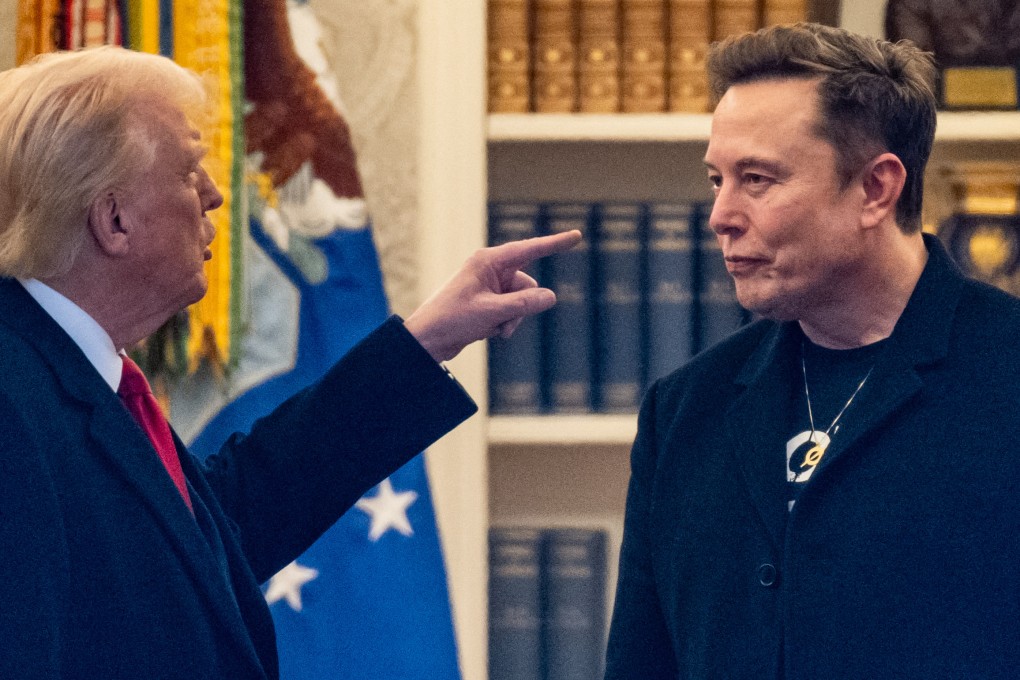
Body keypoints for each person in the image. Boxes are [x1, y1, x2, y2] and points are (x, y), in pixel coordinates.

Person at [0, 46, 580, 679]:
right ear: (114, 220)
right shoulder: (12, 403)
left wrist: (424, 343)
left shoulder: (74, 374)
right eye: (188, 171)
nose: (214, 195)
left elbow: (208, 542)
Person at [605, 22, 1020, 679]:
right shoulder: (681, 410)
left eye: (757, 179)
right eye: (716, 180)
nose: (720, 216)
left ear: (876, 189)